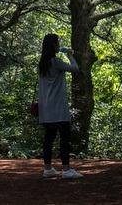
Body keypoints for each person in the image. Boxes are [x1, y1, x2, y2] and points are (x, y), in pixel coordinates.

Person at [37, 33, 82, 179]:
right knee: (64, 136)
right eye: (57, 43)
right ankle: (66, 169)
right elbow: (75, 68)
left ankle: (48, 168)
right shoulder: (55, 62)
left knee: (49, 137)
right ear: (53, 45)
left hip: (46, 107)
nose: (58, 45)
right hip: (58, 107)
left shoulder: (43, 63)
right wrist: (70, 55)